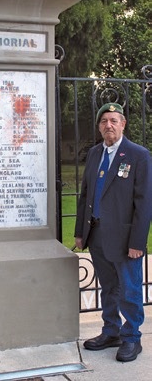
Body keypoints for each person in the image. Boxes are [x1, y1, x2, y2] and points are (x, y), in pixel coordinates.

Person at [75, 102, 152, 362]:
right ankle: (111, 331)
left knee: (129, 289)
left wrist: (138, 241)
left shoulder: (138, 155)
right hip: (97, 235)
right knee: (108, 287)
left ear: (123, 124)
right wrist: (80, 231)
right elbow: (85, 193)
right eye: (104, 121)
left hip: (125, 238)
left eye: (114, 120)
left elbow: (144, 203)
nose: (109, 125)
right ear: (99, 126)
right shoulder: (95, 153)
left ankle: (131, 337)